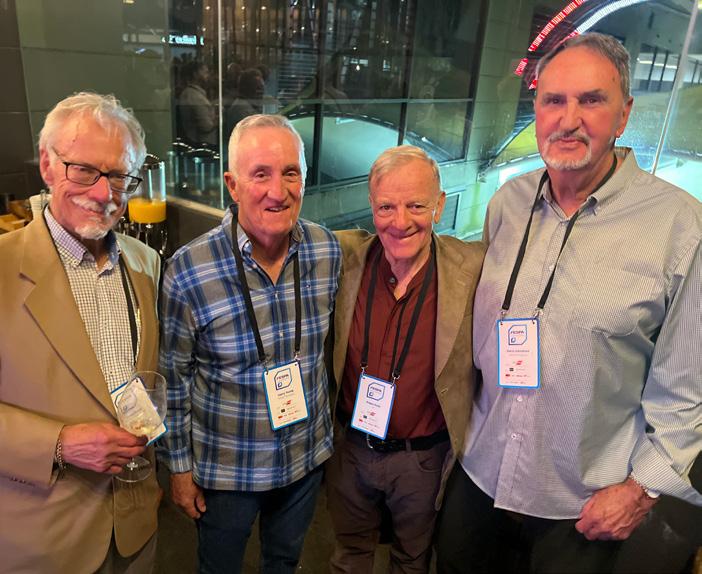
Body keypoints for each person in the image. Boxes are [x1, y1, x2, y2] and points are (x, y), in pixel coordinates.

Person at [435, 32, 702, 574]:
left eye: (591, 100)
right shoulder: (508, 202)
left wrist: (640, 489)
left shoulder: (679, 227)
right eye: (553, 100)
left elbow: (685, 390)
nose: (568, 119)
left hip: (580, 507)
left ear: (624, 114)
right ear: (536, 109)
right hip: (481, 475)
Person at [158, 114, 341, 574]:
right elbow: (174, 379)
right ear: (232, 185)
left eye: (290, 173)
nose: (278, 191)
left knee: (285, 562)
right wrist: (178, 469)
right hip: (228, 471)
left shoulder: (327, 251)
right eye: (260, 174)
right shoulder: (189, 270)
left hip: (304, 459)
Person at [0, 92, 161, 573]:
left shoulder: (145, 263)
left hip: (136, 530)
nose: (103, 193)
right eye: (85, 170)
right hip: (44, 542)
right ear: (47, 165)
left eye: (119, 176)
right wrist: (59, 443)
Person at [327, 145, 486, 573]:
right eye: (386, 207)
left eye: (416, 206)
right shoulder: (345, 258)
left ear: (440, 205)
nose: (400, 222)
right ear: (371, 206)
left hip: (422, 460)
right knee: (348, 555)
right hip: (351, 448)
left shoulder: (472, 268)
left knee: (412, 561)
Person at [178, 60, 217, 147]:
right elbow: (206, 126)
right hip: (202, 145)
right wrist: (220, 118)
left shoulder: (192, 93)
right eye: (205, 72)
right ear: (195, 74)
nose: (208, 76)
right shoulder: (194, 96)